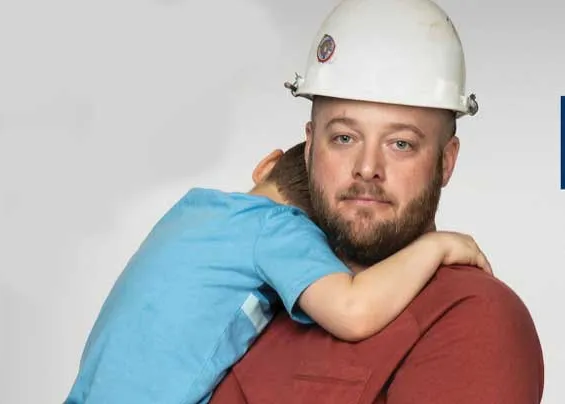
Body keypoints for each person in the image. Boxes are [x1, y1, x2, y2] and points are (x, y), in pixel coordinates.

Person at [208, 0, 545, 402]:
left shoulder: (472, 316)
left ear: (446, 161)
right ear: (311, 146)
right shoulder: (256, 301)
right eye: (344, 138)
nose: (368, 168)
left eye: (401, 143)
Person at [64, 138, 491, 404]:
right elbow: (353, 308)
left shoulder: (195, 208)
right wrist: (435, 246)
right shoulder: (280, 229)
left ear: (266, 165)